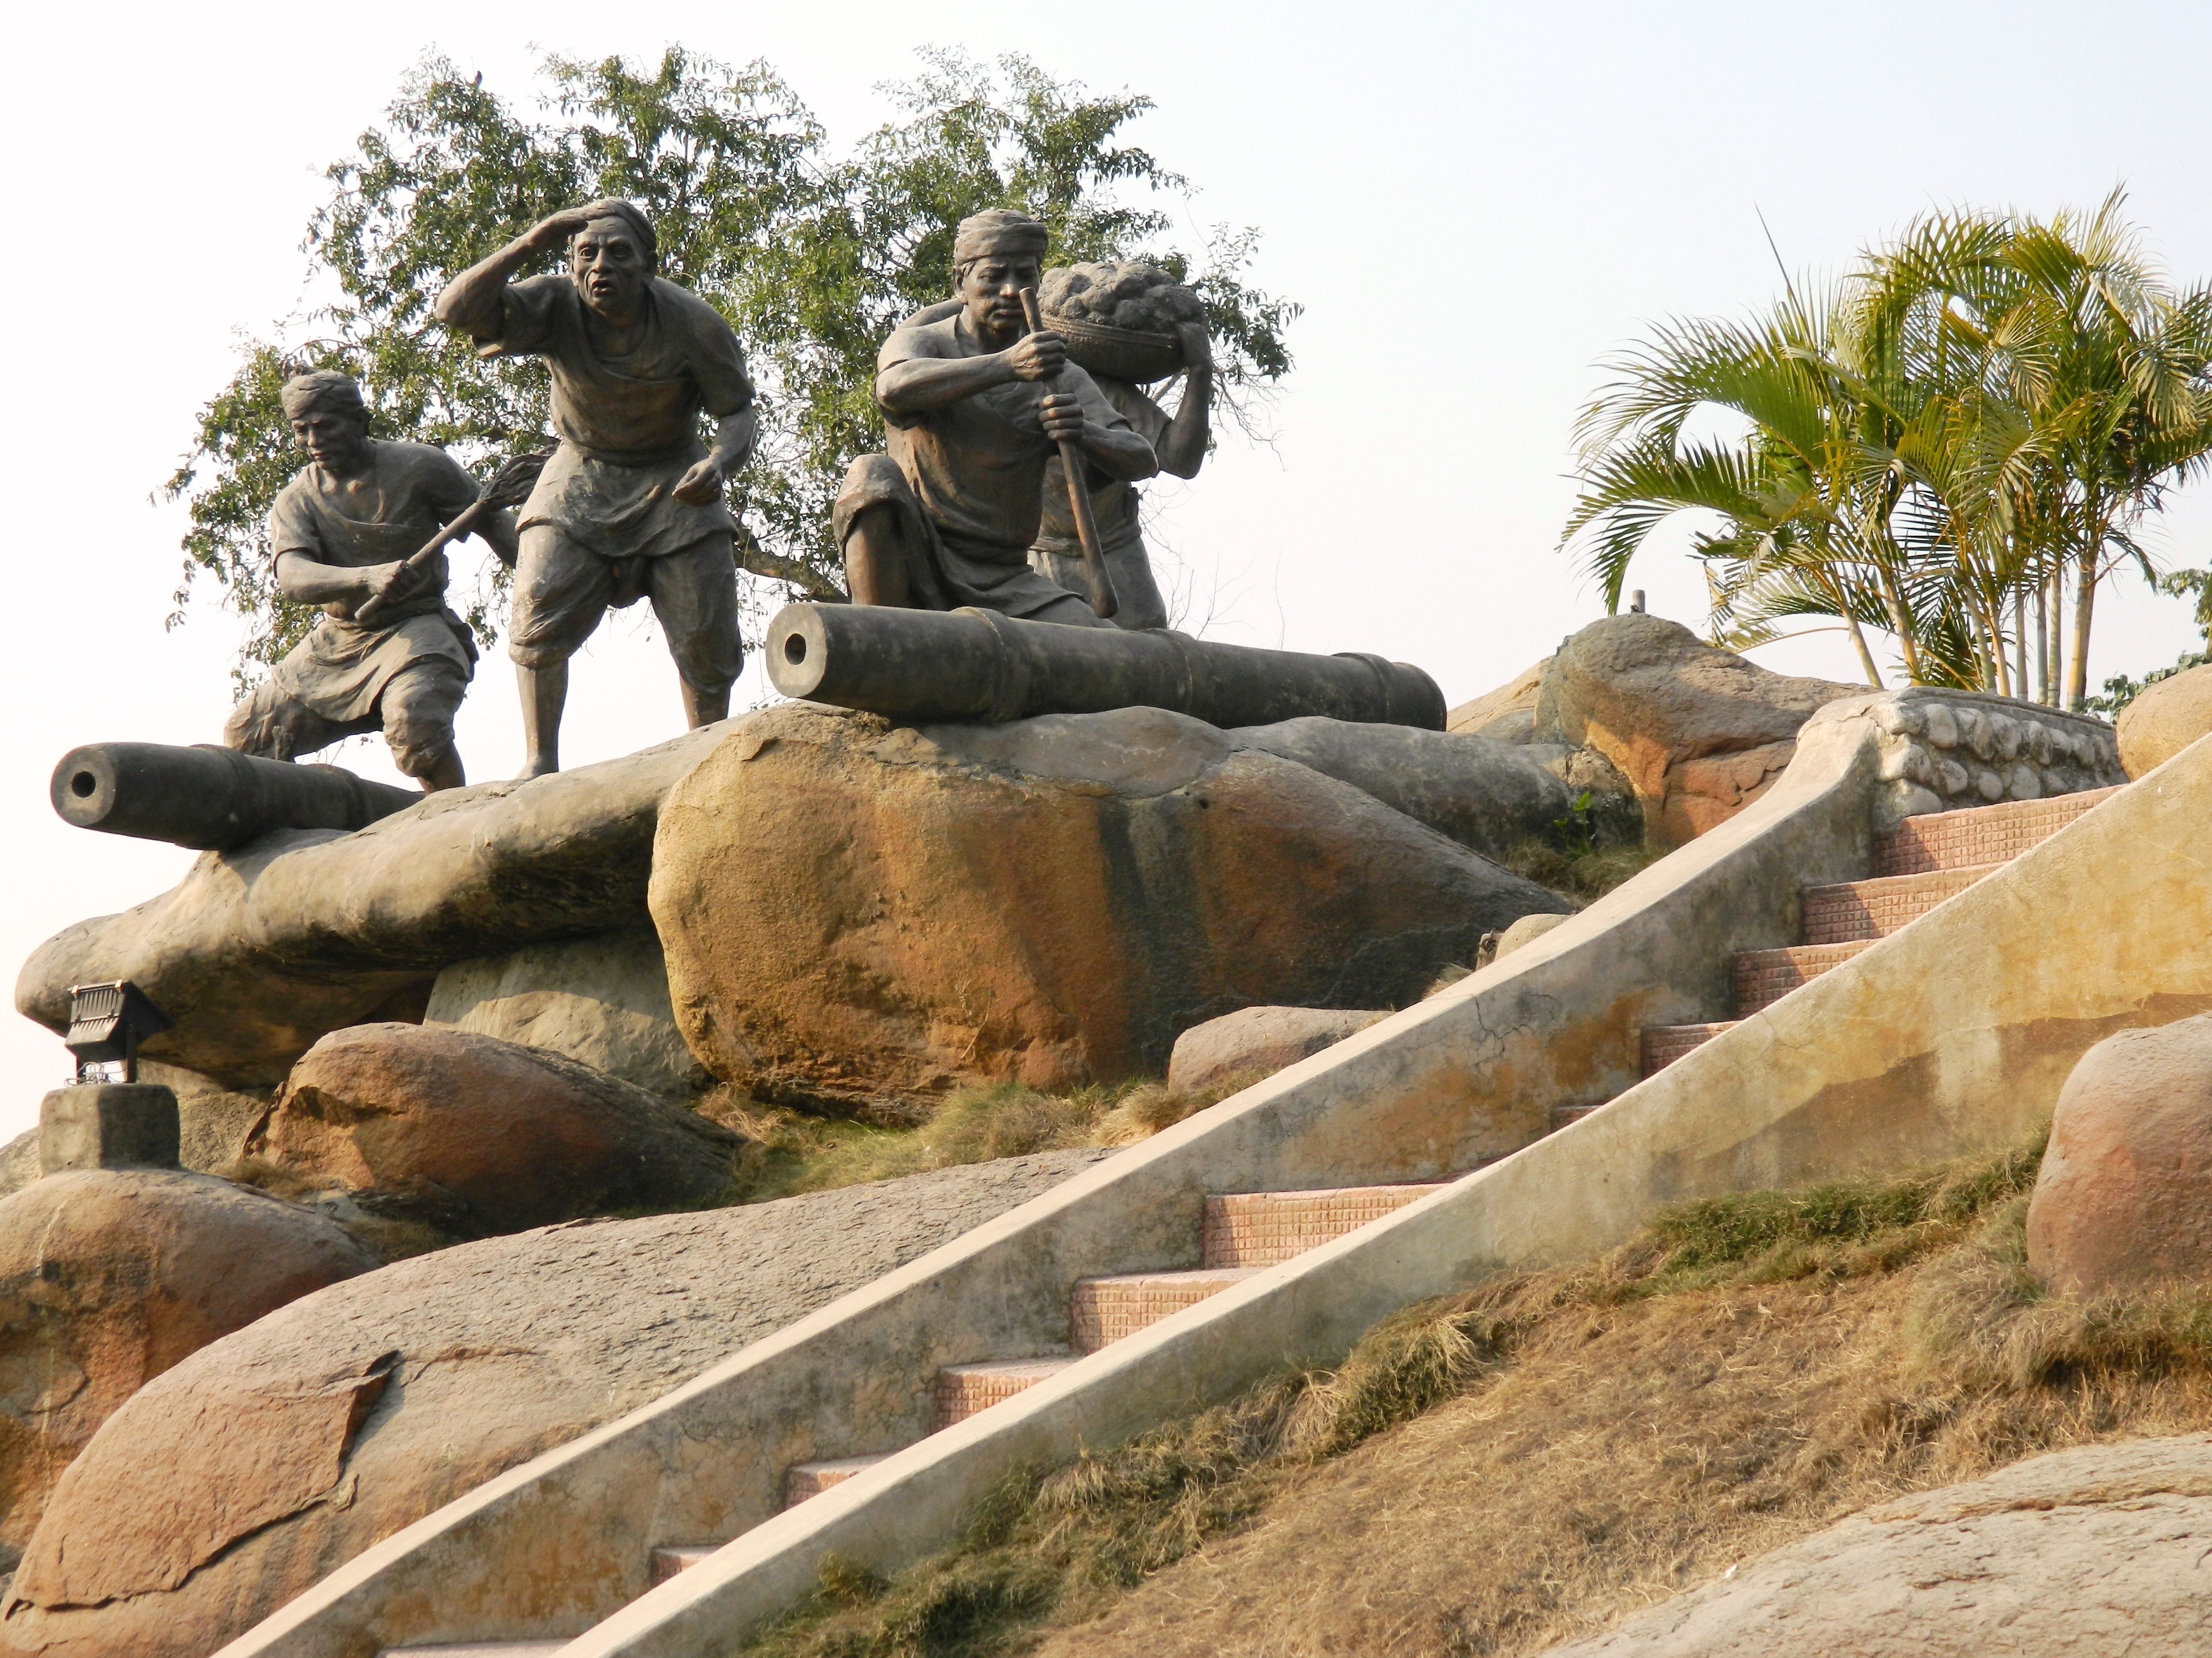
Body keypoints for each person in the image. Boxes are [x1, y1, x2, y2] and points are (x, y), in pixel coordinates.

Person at [434, 198, 756, 776]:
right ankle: (540, 760)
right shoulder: (556, 302)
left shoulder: (693, 322)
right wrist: (530, 242)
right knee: (537, 604)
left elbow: (737, 414)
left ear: (648, 265)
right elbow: (455, 312)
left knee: (706, 627)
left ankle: (709, 752)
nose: (600, 266)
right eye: (587, 253)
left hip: (673, 476)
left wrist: (719, 464)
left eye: (618, 253)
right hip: (581, 470)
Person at [835, 209, 1157, 626]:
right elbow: (895, 389)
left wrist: (1084, 433)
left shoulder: (1059, 375)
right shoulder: (923, 341)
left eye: (1024, 275)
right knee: (870, 474)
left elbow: (1140, 457)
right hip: (917, 551)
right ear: (961, 284)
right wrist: (1005, 366)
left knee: (1105, 650)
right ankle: (882, 634)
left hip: (1007, 578)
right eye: (993, 277)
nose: (1010, 290)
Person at [223, 372, 514, 792]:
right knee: (249, 734)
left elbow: (494, 524)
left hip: (417, 630)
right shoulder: (296, 500)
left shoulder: (421, 466)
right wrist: (366, 577)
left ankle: (452, 813)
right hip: (339, 642)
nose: (313, 440)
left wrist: (548, 576)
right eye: (301, 430)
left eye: (325, 426)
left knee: (415, 725)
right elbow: (292, 576)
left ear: (361, 420)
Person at [1029, 308, 1211, 633]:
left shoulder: (1098, 389)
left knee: (1151, 660)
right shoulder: (1004, 381)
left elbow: (1180, 459)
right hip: (1035, 560)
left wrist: (1200, 372)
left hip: (1116, 553)